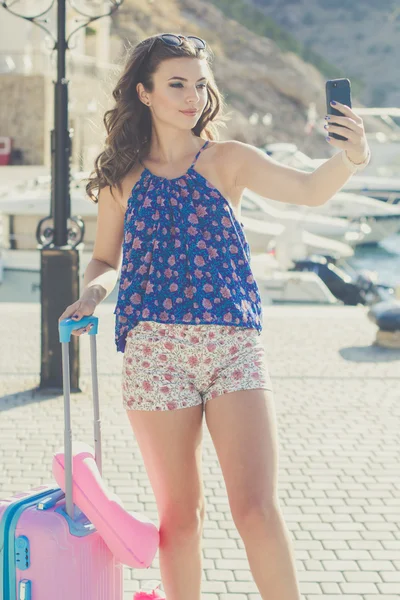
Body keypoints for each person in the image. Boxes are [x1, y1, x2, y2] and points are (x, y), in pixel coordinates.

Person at [59, 33, 370, 600]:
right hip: (155, 354)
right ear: (144, 93)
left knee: (255, 509)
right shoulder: (121, 177)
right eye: (176, 84)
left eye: (200, 84)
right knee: (180, 517)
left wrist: (350, 157)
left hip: (233, 348)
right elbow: (106, 258)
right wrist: (93, 293)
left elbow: (309, 190)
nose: (192, 97)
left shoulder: (228, 160)